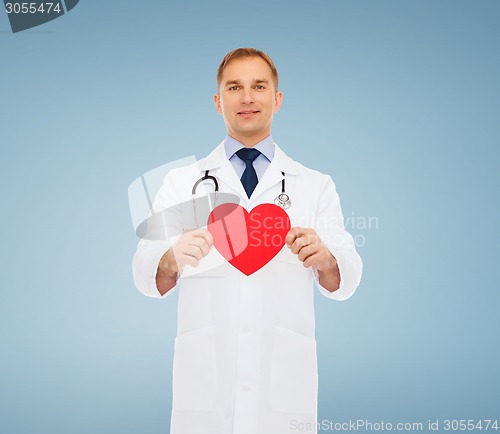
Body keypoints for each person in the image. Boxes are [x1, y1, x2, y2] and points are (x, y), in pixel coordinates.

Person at [132, 48, 362, 434]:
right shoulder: (181, 182)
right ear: (218, 101)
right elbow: (144, 267)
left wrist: (326, 258)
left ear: (277, 98)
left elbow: (347, 274)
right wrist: (170, 259)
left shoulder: (314, 184)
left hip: (283, 379)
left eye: (259, 86)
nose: (247, 97)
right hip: (206, 381)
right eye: (234, 87)